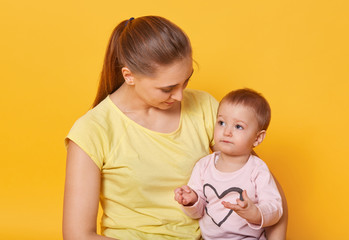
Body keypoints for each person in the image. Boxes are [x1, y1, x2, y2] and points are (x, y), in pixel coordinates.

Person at [63, 16, 287, 240]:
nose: (180, 96)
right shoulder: (92, 130)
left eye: (186, 81)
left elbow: (270, 195)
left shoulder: (205, 107)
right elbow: (77, 235)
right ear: (129, 76)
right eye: (167, 88)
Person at [174, 88, 283, 239]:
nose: (226, 132)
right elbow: (197, 213)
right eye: (221, 122)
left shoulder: (257, 170)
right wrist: (192, 200)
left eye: (238, 126)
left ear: (257, 138)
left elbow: (275, 209)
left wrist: (256, 213)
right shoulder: (203, 166)